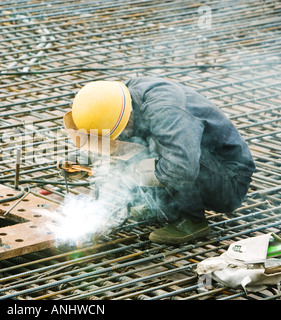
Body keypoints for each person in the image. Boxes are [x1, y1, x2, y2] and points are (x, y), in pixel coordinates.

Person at [64, 77, 255, 245]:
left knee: (158, 155)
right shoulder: (121, 99)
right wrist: (84, 159)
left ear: (126, 119)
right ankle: (159, 205)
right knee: (141, 149)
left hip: (229, 180)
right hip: (199, 162)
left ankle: (192, 221)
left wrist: (134, 172)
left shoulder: (166, 112)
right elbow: (112, 138)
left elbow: (181, 168)